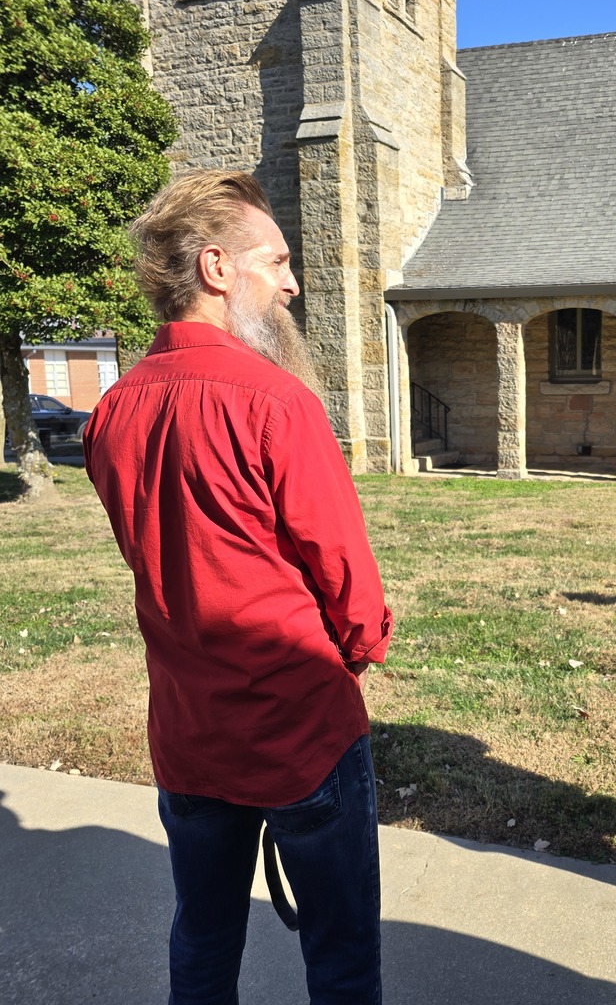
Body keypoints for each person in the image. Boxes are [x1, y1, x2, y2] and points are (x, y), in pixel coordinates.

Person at [83, 169, 393, 1005]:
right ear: (218, 268)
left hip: (187, 732)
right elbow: (347, 578)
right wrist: (362, 648)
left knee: (203, 937)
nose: (292, 282)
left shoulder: (112, 412)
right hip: (300, 733)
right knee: (341, 954)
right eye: (279, 261)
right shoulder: (276, 402)